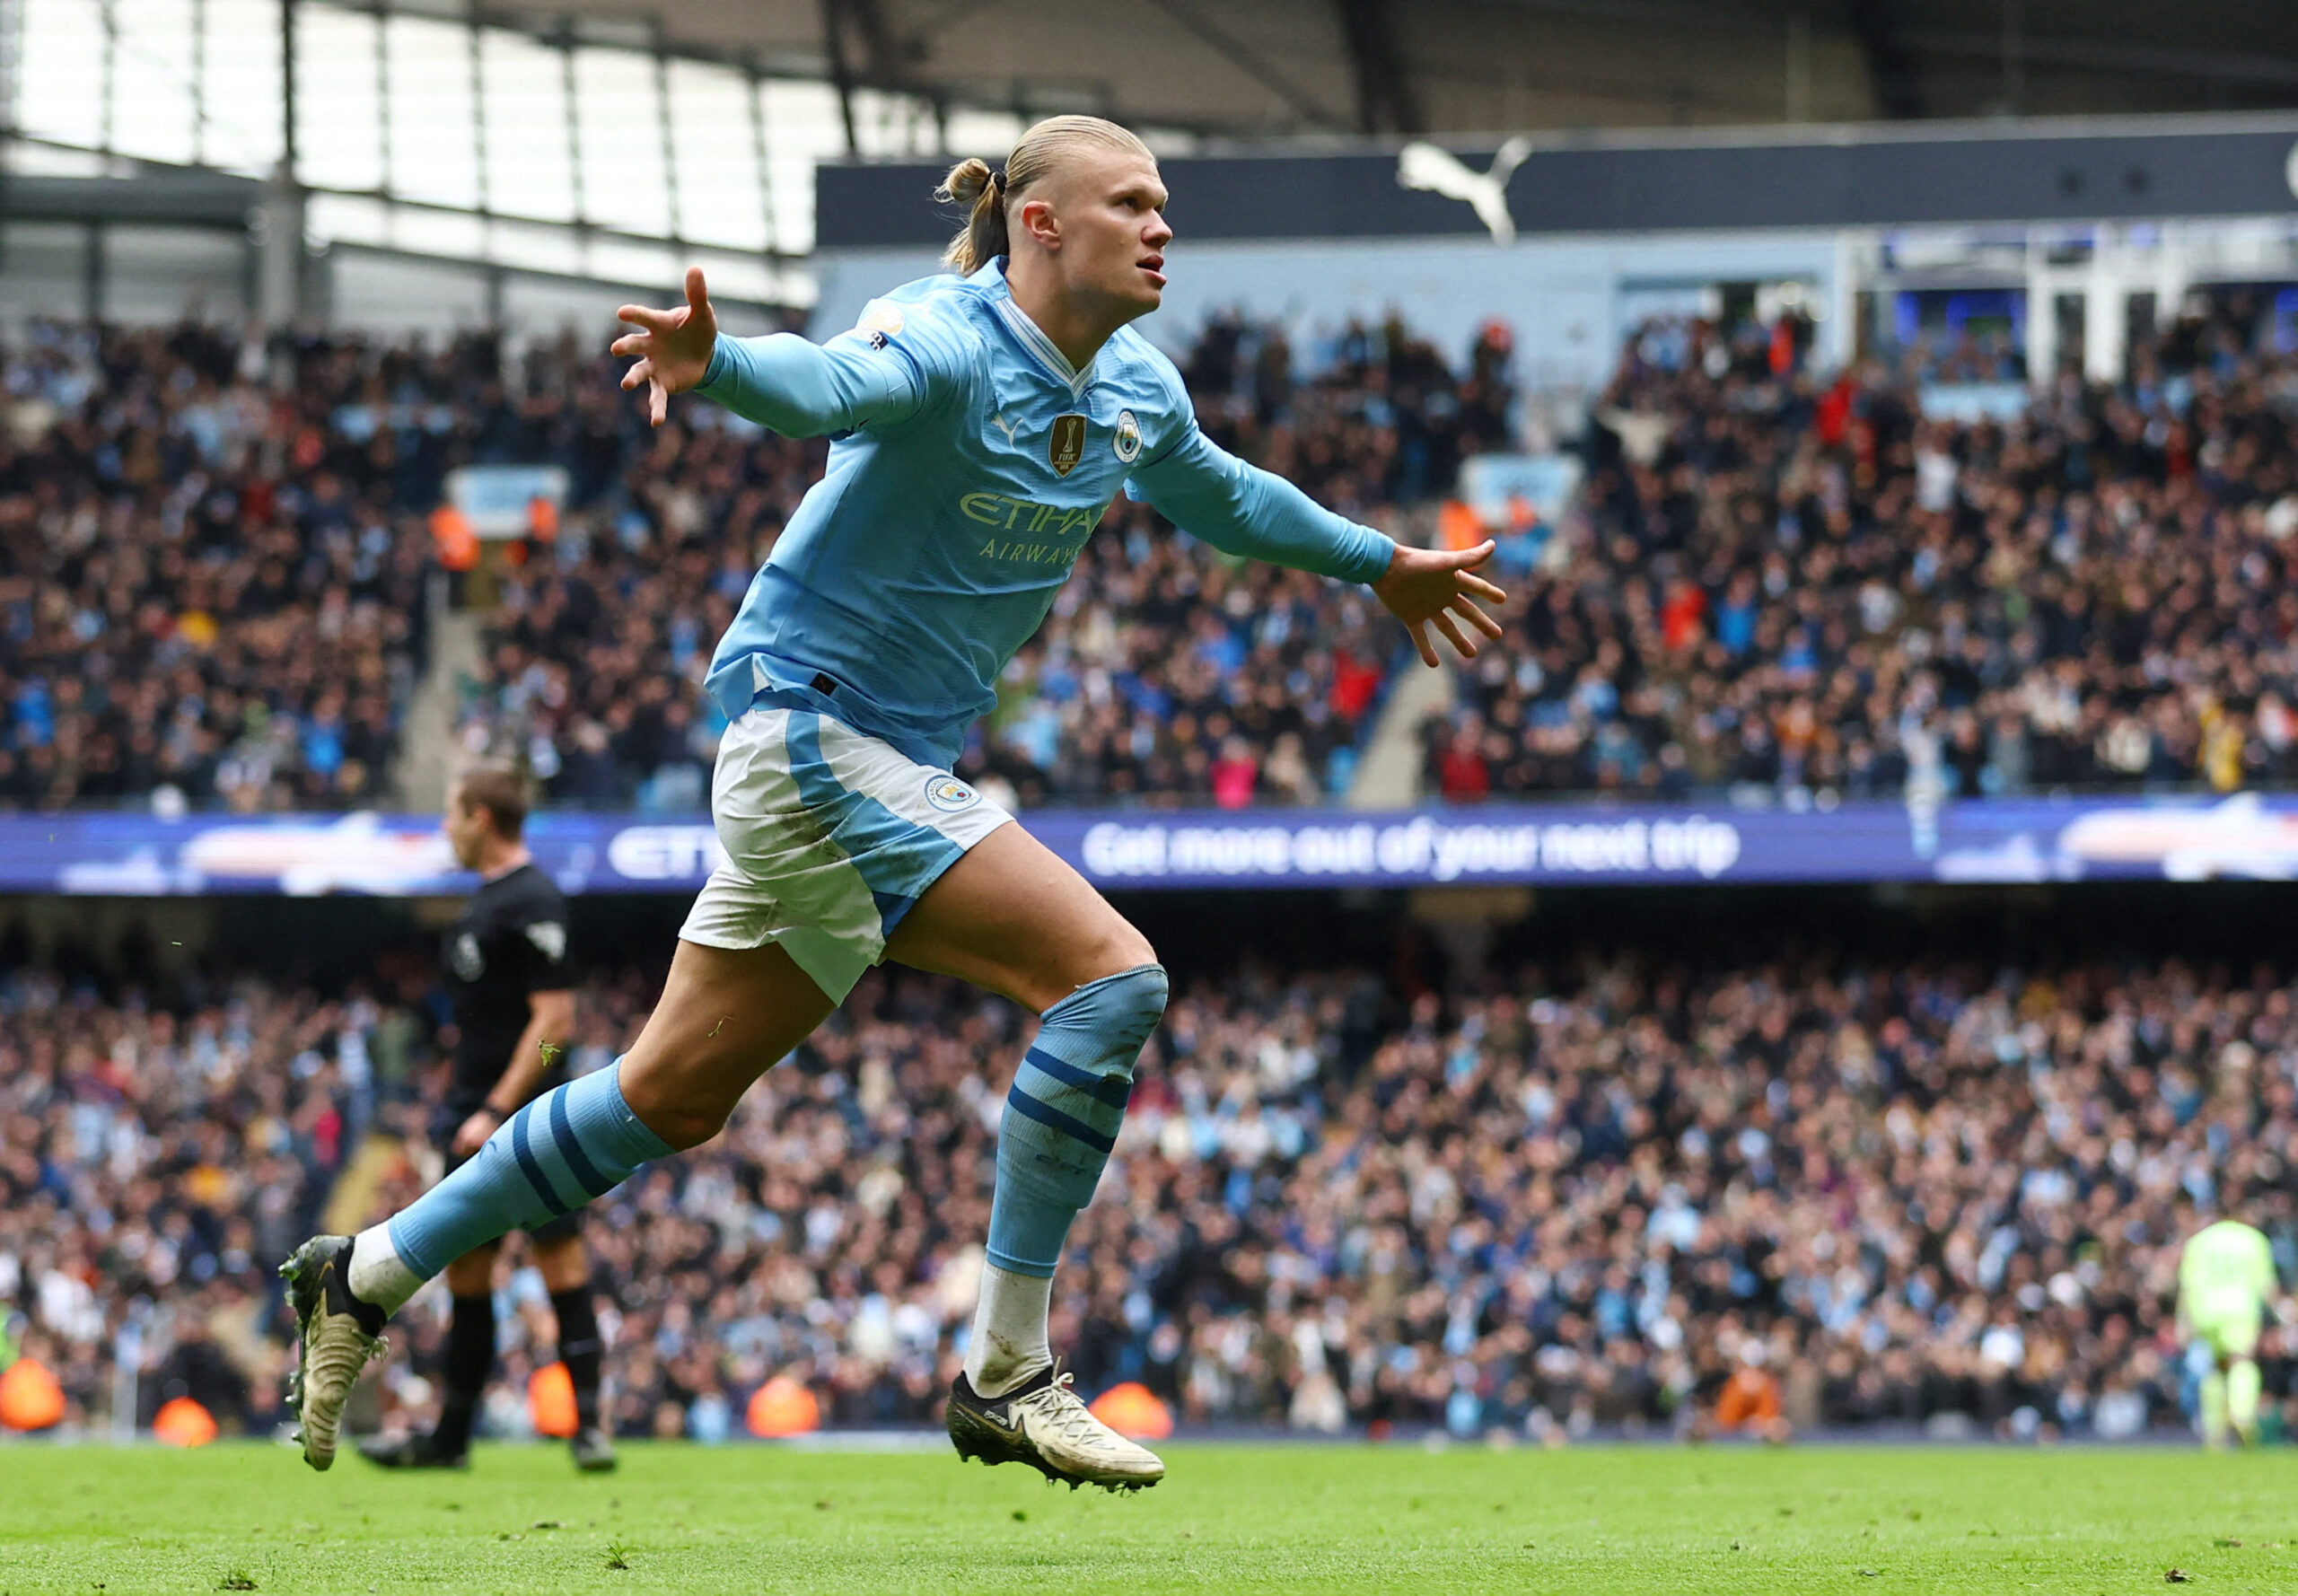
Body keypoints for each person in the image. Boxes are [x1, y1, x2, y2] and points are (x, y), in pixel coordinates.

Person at [280, 114, 1504, 1490]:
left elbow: (1219, 494)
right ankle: (1009, 1371)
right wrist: (718, 362)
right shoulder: (947, 336)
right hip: (812, 731)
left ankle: (368, 1268)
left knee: (669, 1096)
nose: (1162, 227)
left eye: (1166, 205)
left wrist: (1376, 562)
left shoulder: (1134, 386)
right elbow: (821, 386)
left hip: (852, 760)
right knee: (1109, 979)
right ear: (1039, 224)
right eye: (1132, 203)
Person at [356, 766, 613, 1472]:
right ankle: (450, 1439)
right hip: (469, 1112)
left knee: (559, 1260)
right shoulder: (485, 904)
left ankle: (590, 1430)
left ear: (480, 817)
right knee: (468, 1273)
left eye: (451, 814)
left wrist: (500, 1108)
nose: (445, 828)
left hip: (527, 1120)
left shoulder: (534, 900)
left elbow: (557, 1024)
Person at [2177, 1208, 2279, 1449]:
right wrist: (2280, 1312)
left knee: (2215, 1367)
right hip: (2240, 1308)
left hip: (2205, 1310)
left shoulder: (2199, 1242)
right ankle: (2242, 1414)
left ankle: (2214, 1430)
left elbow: (2188, 1286)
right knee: (2241, 1360)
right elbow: (2266, 1284)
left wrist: (2183, 1321)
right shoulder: (2253, 1239)